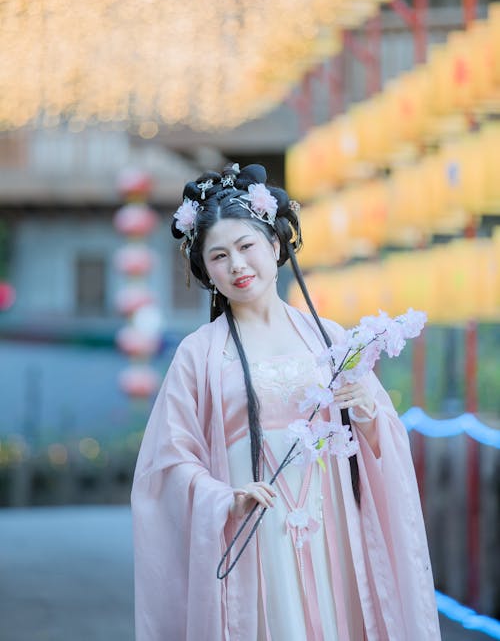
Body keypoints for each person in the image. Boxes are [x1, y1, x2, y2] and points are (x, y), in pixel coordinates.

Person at [131, 163, 441, 641]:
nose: (236, 265)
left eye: (246, 246)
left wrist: (366, 410)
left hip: (330, 515)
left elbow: (382, 440)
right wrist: (223, 498)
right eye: (218, 256)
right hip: (253, 524)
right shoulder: (199, 354)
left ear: (275, 245)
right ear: (205, 270)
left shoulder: (329, 338)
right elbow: (168, 460)